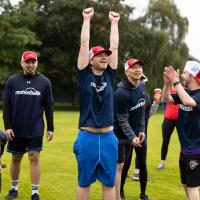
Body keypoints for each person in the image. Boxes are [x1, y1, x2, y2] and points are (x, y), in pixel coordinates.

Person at [73, 7, 120, 200]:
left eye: (105, 55)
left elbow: (114, 47)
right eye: (100, 55)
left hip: (109, 137)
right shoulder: (84, 75)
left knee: (109, 183)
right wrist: (86, 20)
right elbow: (84, 45)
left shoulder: (110, 75)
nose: (104, 56)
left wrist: (114, 23)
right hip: (88, 137)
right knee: (84, 182)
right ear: (90, 60)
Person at [3, 51, 54, 200]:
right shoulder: (12, 81)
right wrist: (7, 126)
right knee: (16, 158)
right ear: (22, 63)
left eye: (33, 62)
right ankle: (14, 189)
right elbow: (6, 106)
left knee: (34, 157)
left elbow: (48, 106)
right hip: (16, 128)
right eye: (28, 62)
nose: (30, 65)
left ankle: (35, 192)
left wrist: (50, 128)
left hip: (35, 127)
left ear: (37, 63)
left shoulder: (45, 82)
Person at [162, 61, 200, 200]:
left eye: (184, 73)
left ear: (191, 75)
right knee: (185, 184)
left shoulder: (198, 94)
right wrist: (167, 84)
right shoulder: (186, 91)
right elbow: (166, 99)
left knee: (192, 188)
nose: (182, 75)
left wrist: (176, 82)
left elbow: (188, 102)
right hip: (185, 150)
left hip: (196, 151)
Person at [114, 58, 149, 200]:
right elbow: (122, 120)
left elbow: (141, 110)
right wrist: (131, 136)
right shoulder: (121, 92)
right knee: (120, 166)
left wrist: (141, 129)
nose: (138, 69)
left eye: (140, 67)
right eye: (134, 67)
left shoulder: (141, 87)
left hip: (134, 133)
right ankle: (118, 195)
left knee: (131, 164)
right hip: (120, 135)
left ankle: (141, 193)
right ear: (126, 71)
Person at [157, 85, 179, 170]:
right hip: (168, 119)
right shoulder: (167, 89)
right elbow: (163, 100)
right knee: (165, 141)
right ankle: (162, 163)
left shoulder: (180, 88)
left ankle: (186, 162)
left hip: (179, 119)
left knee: (183, 141)